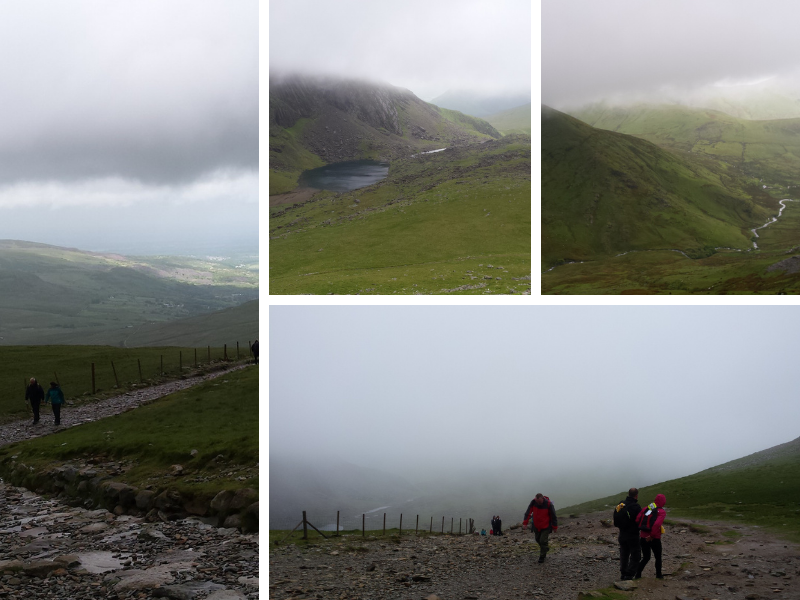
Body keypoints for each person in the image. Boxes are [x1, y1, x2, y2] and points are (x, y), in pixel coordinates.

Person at [635, 493, 667, 579]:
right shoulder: (662, 512)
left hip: (643, 537)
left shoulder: (646, 508)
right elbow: (657, 525)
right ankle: (659, 575)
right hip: (654, 538)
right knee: (658, 557)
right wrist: (652, 536)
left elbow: (637, 519)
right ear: (663, 502)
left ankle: (637, 574)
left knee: (646, 557)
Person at [613, 487, 642, 580]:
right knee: (636, 555)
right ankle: (629, 575)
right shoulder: (636, 507)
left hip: (622, 534)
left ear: (628, 494)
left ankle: (623, 573)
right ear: (636, 496)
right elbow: (640, 520)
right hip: (633, 535)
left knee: (624, 554)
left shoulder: (621, 505)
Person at [522, 493, 558, 563]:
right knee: (537, 539)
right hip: (536, 526)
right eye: (537, 502)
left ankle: (542, 556)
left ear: (542, 499)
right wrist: (525, 523)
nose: (538, 503)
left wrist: (554, 526)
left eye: (539, 502)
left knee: (543, 541)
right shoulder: (533, 502)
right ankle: (545, 548)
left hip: (546, 526)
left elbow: (553, 516)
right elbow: (528, 512)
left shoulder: (549, 504)